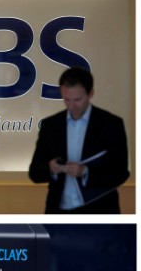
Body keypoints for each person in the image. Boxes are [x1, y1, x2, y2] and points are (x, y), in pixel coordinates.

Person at [29, 66, 129, 213]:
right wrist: (50, 168)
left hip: (100, 213)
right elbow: (34, 173)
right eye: (66, 99)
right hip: (58, 214)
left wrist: (86, 172)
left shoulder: (111, 124)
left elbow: (121, 173)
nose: (71, 106)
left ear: (91, 93)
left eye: (77, 100)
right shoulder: (50, 125)